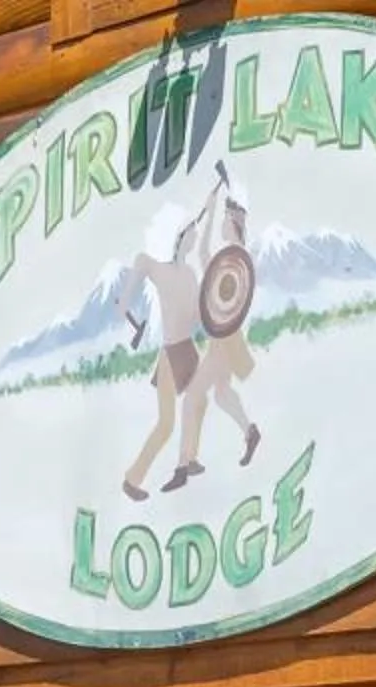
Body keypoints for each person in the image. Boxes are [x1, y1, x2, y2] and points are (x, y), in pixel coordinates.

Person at [115, 167, 262, 500]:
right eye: (190, 235)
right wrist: (210, 213)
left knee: (197, 399)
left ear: (234, 223)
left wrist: (213, 213)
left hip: (213, 343)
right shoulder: (193, 267)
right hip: (194, 348)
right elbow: (196, 269)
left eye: (227, 220)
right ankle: (242, 435)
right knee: (211, 397)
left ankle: (186, 464)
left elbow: (209, 296)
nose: (198, 236)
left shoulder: (229, 260)